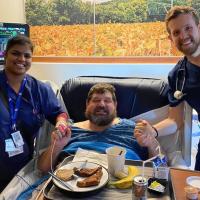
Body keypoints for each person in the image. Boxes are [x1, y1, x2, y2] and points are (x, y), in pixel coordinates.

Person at [38, 83, 164, 173]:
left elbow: (162, 166)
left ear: (115, 105)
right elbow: (43, 168)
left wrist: (151, 142)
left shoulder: (134, 129)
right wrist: (57, 146)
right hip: (71, 189)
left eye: (107, 101)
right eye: (96, 100)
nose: (101, 104)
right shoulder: (69, 131)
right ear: (87, 104)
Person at [0, 35, 71, 191]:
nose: (21, 59)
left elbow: (59, 113)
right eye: (15, 53)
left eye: (27, 55)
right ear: (5, 55)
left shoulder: (39, 89)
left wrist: (60, 123)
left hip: (23, 167)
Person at [143, 6, 200, 170]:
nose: (183, 36)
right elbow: (175, 120)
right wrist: (152, 131)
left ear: (198, 27)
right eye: (176, 32)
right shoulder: (178, 75)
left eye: (188, 28)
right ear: (170, 38)